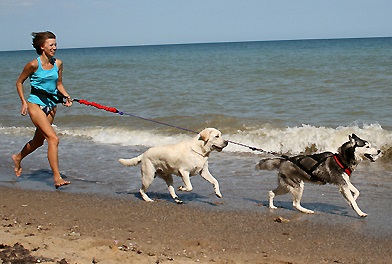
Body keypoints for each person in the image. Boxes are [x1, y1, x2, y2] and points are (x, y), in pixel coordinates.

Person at [12, 31, 73, 189]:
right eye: (51, 45)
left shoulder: (58, 63)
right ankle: (57, 177)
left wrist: (66, 96)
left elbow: (58, 84)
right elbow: (19, 82)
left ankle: (18, 157)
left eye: (55, 44)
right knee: (53, 139)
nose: (54, 47)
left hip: (51, 105)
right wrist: (24, 102)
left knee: (38, 141)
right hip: (35, 105)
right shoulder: (33, 64)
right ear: (42, 47)